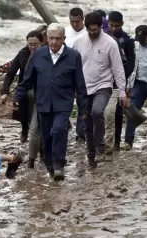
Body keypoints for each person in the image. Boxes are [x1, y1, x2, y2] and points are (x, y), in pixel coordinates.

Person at [13, 23, 88, 181]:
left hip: (63, 102)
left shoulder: (73, 56)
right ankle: (49, 165)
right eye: (51, 38)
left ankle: (59, 164)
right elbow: (27, 79)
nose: (54, 42)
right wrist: (17, 97)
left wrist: (83, 109)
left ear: (64, 39)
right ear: (47, 38)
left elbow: (80, 84)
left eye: (58, 39)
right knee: (46, 137)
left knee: (59, 130)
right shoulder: (39, 54)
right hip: (43, 102)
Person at [73, 12, 127, 166]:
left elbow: (118, 68)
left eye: (95, 30)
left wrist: (122, 91)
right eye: (89, 30)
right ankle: (91, 155)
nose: (92, 33)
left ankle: (101, 147)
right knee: (86, 121)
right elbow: (72, 67)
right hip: (84, 87)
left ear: (100, 27)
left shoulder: (110, 43)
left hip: (103, 85)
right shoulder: (78, 42)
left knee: (97, 111)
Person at [0, 30, 45, 168]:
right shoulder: (23, 53)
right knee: (24, 113)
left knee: (39, 123)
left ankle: (42, 150)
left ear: (42, 42)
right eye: (30, 44)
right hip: (25, 88)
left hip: (42, 90)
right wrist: (5, 92)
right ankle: (24, 127)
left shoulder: (47, 54)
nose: (32, 47)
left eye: (35, 44)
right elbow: (10, 73)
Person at [105, 10, 135, 155]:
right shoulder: (102, 36)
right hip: (103, 79)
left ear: (122, 24)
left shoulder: (126, 40)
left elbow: (130, 62)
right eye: (111, 25)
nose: (114, 28)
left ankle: (116, 141)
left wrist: (122, 79)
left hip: (118, 81)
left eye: (117, 26)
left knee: (117, 112)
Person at [65, 7, 87, 143]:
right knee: (65, 103)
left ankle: (80, 134)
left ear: (82, 19)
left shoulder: (87, 33)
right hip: (67, 74)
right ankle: (65, 125)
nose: (74, 24)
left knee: (82, 104)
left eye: (77, 21)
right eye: (72, 21)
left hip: (83, 73)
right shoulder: (65, 32)